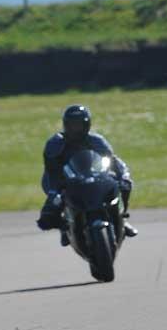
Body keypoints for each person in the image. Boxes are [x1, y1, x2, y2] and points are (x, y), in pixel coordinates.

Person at [36, 105, 138, 246]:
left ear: (87, 124)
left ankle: (122, 218)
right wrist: (56, 191)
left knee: (124, 186)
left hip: (96, 178)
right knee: (49, 213)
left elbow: (112, 161)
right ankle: (65, 228)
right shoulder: (55, 143)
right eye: (72, 125)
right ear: (65, 125)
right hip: (63, 180)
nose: (75, 129)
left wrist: (122, 177)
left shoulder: (96, 140)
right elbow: (51, 170)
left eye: (79, 125)